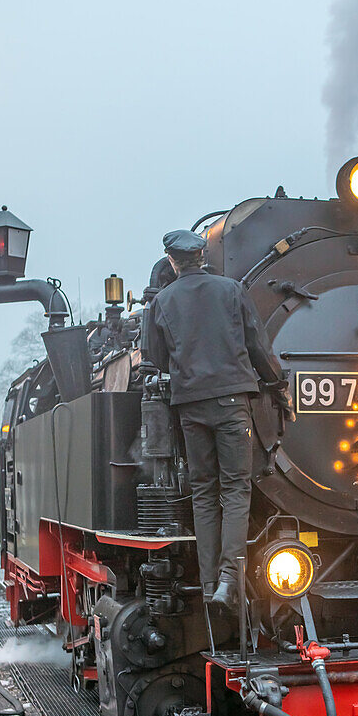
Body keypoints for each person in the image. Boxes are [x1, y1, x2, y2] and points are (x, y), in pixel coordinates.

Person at [144, 229, 294, 612]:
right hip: (231, 404)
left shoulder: (161, 301)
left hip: (190, 407)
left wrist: (189, 373)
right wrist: (278, 385)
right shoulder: (230, 290)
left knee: (203, 492)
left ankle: (210, 583)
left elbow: (156, 357)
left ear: (173, 261)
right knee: (235, 489)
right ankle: (230, 578)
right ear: (201, 257)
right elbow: (257, 346)